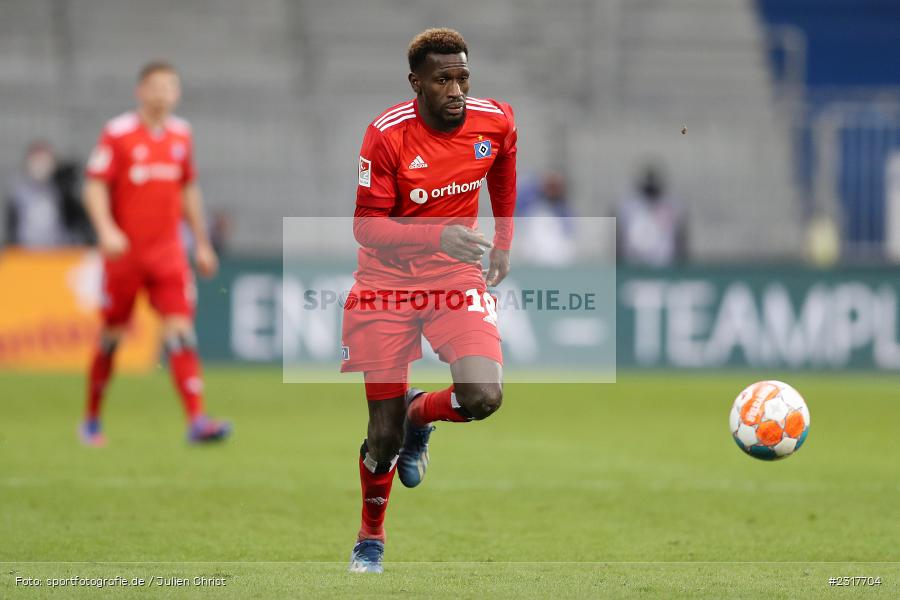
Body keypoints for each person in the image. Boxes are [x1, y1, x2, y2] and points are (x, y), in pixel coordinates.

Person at [341, 28, 517, 573]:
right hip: (384, 285)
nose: (457, 89)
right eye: (443, 79)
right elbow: (366, 228)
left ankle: (423, 415)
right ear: (416, 82)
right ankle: (371, 537)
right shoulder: (386, 136)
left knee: (484, 396)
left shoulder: (496, 120)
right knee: (383, 436)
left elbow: (504, 168)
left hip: (453, 276)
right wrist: (436, 234)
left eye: (463, 76)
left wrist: (504, 243)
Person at [79, 61, 230, 446]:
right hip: (125, 255)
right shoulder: (118, 133)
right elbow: (94, 187)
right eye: (156, 86)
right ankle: (92, 419)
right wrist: (106, 230)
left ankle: (197, 420)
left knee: (180, 332)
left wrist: (202, 242)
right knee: (111, 336)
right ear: (141, 91)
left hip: (168, 254)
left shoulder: (182, 135)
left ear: (177, 93)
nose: (163, 93)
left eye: (170, 87)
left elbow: (187, 190)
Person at [616, 162, 688, 266]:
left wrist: (681, 260)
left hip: (664, 263)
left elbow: (680, 238)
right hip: (633, 262)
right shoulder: (628, 206)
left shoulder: (672, 205)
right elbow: (620, 237)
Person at [5, 141, 68, 248]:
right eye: (37, 160)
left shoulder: (60, 191)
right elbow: (12, 228)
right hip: (25, 255)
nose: (41, 165)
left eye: (45, 161)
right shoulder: (17, 193)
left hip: (57, 256)